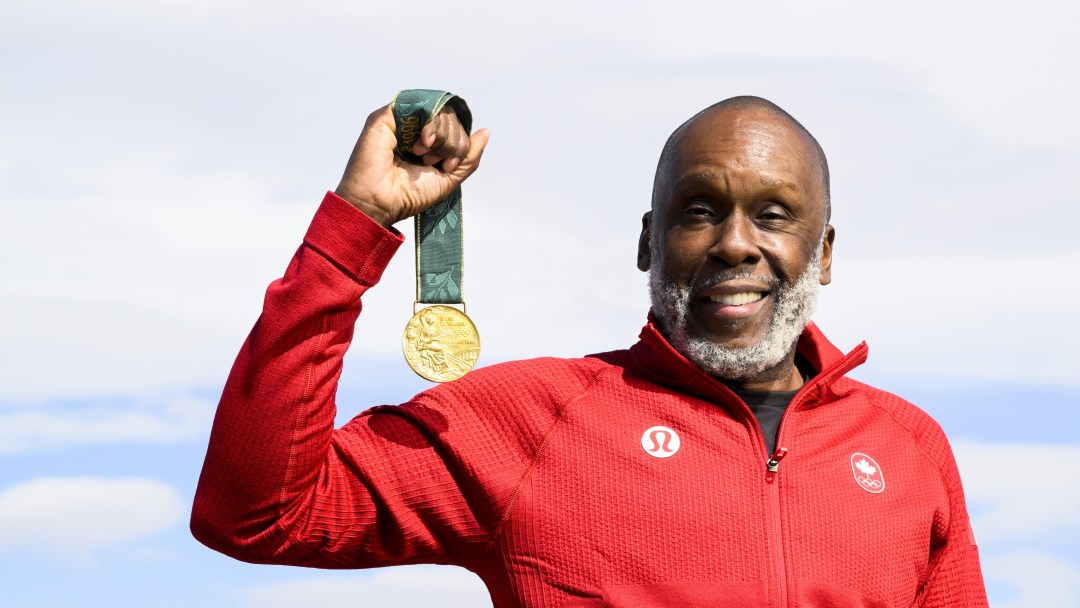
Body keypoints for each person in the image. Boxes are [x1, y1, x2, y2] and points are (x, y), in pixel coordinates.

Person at [192, 94, 988, 607]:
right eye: (699, 211)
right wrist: (354, 228)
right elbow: (258, 515)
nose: (735, 245)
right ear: (650, 241)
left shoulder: (908, 447)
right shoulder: (532, 420)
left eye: (774, 216)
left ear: (822, 254)